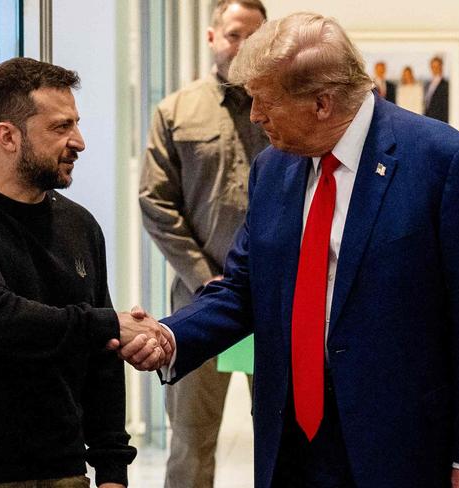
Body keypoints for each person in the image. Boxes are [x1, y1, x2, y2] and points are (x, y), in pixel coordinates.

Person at [120, 12, 459, 488]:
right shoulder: (273, 169)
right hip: (290, 442)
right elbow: (242, 289)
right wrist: (170, 336)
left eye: (265, 102)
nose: (255, 115)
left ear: (322, 104)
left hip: (399, 446)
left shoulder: (443, 162)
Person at [0, 57, 168, 488]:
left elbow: (101, 360)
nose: (79, 141)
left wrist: (112, 472)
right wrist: (109, 322)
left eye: (76, 124)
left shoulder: (80, 225)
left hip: (62, 472)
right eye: (60, 127)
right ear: (7, 136)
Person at [138, 1, 268, 486]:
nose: (243, 46)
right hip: (200, 302)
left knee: (286, 438)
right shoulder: (175, 111)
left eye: (254, 37)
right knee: (191, 444)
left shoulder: (284, 109)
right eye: (234, 34)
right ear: (213, 38)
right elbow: (155, 202)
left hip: (277, 304)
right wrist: (205, 277)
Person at [424, 55, 449, 122]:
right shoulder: (428, 84)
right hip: (428, 119)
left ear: (441, 67)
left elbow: (445, 107)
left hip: (439, 120)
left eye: (437, 67)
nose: (435, 69)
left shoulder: (446, 85)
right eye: (433, 67)